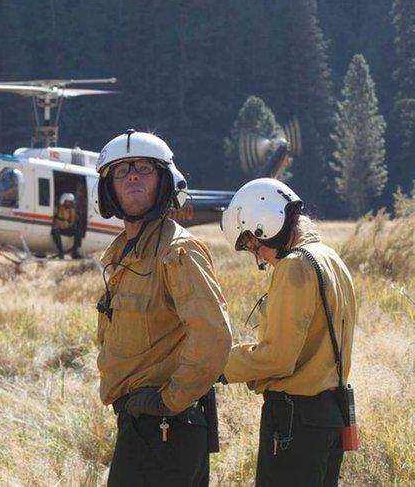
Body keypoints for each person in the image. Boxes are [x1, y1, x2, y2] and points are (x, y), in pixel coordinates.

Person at [94, 129, 232, 486]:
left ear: (165, 181)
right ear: (107, 188)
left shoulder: (178, 252)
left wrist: (169, 401)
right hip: (141, 424)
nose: (133, 176)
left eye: (144, 168)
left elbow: (213, 336)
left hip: (167, 427)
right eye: (121, 171)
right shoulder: (121, 253)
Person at [219, 178, 358, 486]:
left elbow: (277, 358)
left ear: (264, 226)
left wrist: (219, 366)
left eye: (254, 245)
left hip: (295, 419)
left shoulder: (294, 265)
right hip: (330, 415)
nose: (259, 257)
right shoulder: (329, 257)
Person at [51, 193, 82, 259]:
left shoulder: (71, 210)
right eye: (68, 202)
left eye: (71, 202)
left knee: (78, 232)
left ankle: (75, 251)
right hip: (58, 228)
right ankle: (60, 252)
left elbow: (72, 221)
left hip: (66, 229)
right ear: (63, 201)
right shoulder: (57, 208)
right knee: (55, 231)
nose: (70, 204)